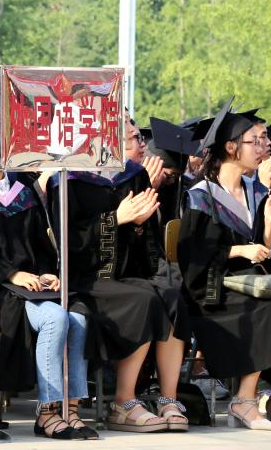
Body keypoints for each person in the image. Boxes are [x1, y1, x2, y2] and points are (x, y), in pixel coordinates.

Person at [0, 107, 98, 440]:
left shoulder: (21, 189)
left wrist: (47, 272)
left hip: (30, 287)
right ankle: (47, 411)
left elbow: (41, 244)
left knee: (78, 317)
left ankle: (71, 409)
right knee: (55, 317)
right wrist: (11, 275)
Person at [178, 102, 271, 432]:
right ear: (231, 147)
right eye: (254, 141)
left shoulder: (256, 192)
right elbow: (194, 257)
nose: (262, 147)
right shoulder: (202, 196)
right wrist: (239, 249)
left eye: (262, 140)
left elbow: (265, 255)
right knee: (268, 311)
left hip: (253, 283)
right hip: (215, 290)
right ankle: (243, 400)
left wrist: (269, 225)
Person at [51, 116, 189, 433]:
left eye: (137, 136)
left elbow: (146, 243)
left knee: (172, 297)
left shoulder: (133, 175)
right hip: (84, 279)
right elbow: (67, 240)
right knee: (143, 300)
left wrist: (139, 225)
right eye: (131, 136)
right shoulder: (68, 178)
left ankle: (168, 400)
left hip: (125, 274)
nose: (139, 142)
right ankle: (123, 402)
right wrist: (116, 219)